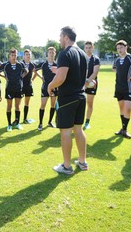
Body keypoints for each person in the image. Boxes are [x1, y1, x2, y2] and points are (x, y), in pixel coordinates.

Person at [48, 26, 89, 175]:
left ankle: (66, 166)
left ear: (66, 37)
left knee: (65, 132)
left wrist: (50, 85)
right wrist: (58, 71)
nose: (59, 40)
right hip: (81, 97)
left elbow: (61, 78)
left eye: (60, 37)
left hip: (68, 99)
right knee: (78, 129)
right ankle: (83, 162)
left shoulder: (65, 53)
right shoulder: (83, 54)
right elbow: (75, 74)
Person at [0, 48, 28, 131]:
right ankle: (9, 124)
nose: (14, 57)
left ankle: (17, 123)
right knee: (9, 106)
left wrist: (21, 77)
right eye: (12, 55)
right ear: (9, 56)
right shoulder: (5, 65)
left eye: (15, 55)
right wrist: (5, 77)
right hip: (9, 88)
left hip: (18, 88)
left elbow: (26, 71)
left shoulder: (20, 64)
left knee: (17, 106)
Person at [35, 46, 58, 131]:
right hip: (45, 88)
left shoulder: (57, 65)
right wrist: (41, 77)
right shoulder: (43, 64)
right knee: (43, 105)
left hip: (54, 88)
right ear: (47, 54)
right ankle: (40, 123)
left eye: (53, 53)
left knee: (52, 105)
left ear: (55, 54)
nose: (51, 54)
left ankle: (50, 122)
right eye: (50, 53)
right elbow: (35, 70)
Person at [83, 41, 100, 130]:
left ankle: (87, 122)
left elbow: (95, 72)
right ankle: (77, 121)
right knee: (80, 103)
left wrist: (87, 82)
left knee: (89, 103)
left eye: (90, 47)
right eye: (86, 47)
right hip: (81, 84)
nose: (88, 49)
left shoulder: (96, 59)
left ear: (92, 48)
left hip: (91, 84)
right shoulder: (82, 58)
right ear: (84, 48)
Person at [21, 49, 37, 124]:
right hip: (20, 86)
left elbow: (36, 73)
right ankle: (16, 120)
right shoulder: (20, 64)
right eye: (26, 54)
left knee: (26, 103)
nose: (28, 56)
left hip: (28, 86)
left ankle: (25, 119)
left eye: (29, 54)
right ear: (24, 56)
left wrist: (32, 80)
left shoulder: (32, 65)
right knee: (17, 104)